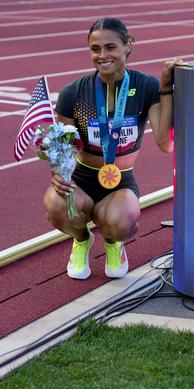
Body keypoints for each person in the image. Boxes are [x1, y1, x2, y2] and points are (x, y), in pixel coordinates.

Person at [43, 17, 185, 279]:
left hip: (121, 181)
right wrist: (57, 173)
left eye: (110, 47)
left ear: (128, 45)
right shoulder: (73, 92)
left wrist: (166, 87)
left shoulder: (145, 87)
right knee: (55, 203)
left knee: (124, 218)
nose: (102, 55)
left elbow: (165, 144)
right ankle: (82, 239)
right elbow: (62, 147)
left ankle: (112, 243)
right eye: (95, 49)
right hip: (82, 179)